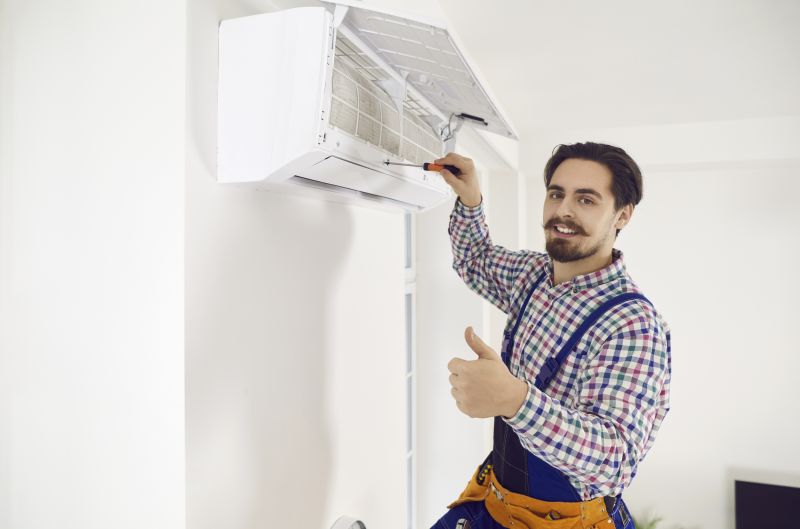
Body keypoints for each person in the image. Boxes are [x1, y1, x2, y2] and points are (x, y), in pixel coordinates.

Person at [429, 143, 672, 529]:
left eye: (586, 200)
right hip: (498, 503)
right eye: (556, 194)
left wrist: (514, 400)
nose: (564, 211)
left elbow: (615, 461)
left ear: (622, 215)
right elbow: (474, 259)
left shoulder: (632, 324)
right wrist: (470, 197)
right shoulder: (534, 275)